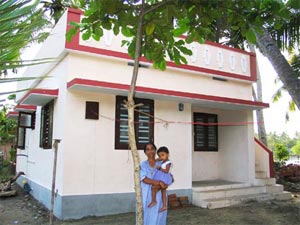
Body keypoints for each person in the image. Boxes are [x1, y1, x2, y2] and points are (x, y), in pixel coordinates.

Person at [140, 143, 168, 225]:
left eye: (152, 148)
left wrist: (163, 183)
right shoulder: (143, 165)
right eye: (147, 149)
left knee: (159, 216)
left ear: (155, 150)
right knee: (148, 216)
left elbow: (166, 177)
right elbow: (144, 179)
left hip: (159, 194)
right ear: (145, 152)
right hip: (147, 194)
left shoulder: (161, 164)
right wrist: (158, 182)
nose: (150, 151)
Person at [148, 146, 173, 212]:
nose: (161, 157)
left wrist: (159, 168)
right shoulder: (163, 161)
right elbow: (157, 160)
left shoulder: (168, 163)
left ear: (167, 154)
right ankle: (164, 206)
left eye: (163, 155)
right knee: (163, 192)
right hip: (162, 178)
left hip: (164, 178)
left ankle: (154, 201)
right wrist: (157, 159)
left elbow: (166, 171)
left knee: (154, 188)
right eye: (160, 156)